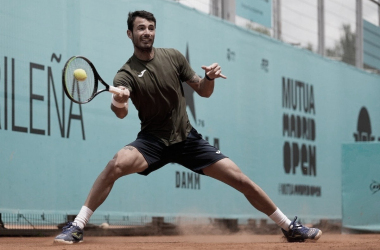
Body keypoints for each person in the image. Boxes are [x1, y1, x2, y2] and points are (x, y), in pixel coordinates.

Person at [54, 10, 322, 244]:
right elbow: (120, 113)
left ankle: (290, 227)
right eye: (140, 28)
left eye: (150, 28)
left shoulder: (173, 57)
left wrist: (209, 78)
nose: (146, 33)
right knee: (115, 165)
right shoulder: (125, 73)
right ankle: (77, 225)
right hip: (152, 141)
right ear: (130, 34)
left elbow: (204, 92)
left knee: (240, 179)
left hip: (186, 139)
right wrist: (119, 99)